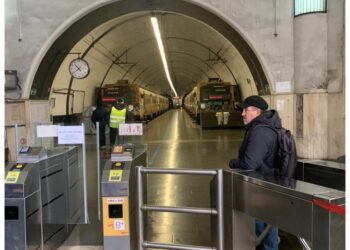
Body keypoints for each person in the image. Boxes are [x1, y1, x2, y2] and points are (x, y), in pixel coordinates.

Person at [229, 95, 280, 250]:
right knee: (266, 220)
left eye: (245, 110)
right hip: (263, 182)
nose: (242, 113)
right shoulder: (260, 127)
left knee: (262, 220)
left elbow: (250, 163)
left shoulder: (261, 131)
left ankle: (269, 246)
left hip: (261, 184)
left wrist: (233, 162)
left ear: (256, 111)